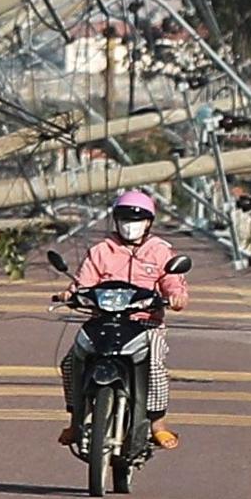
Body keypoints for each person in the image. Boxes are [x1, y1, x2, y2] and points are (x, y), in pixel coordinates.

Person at [57, 189, 188, 450]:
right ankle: (76, 420)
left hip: (144, 323)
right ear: (116, 221)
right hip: (102, 322)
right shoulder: (101, 251)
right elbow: (84, 282)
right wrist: (70, 294)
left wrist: (176, 296)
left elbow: (173, 282)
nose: (131, 225)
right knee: (71, 362)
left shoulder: (160, 251)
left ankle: (157, 425)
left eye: (137, 219)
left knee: (156, 364)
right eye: (125, 219)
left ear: (149, 222)